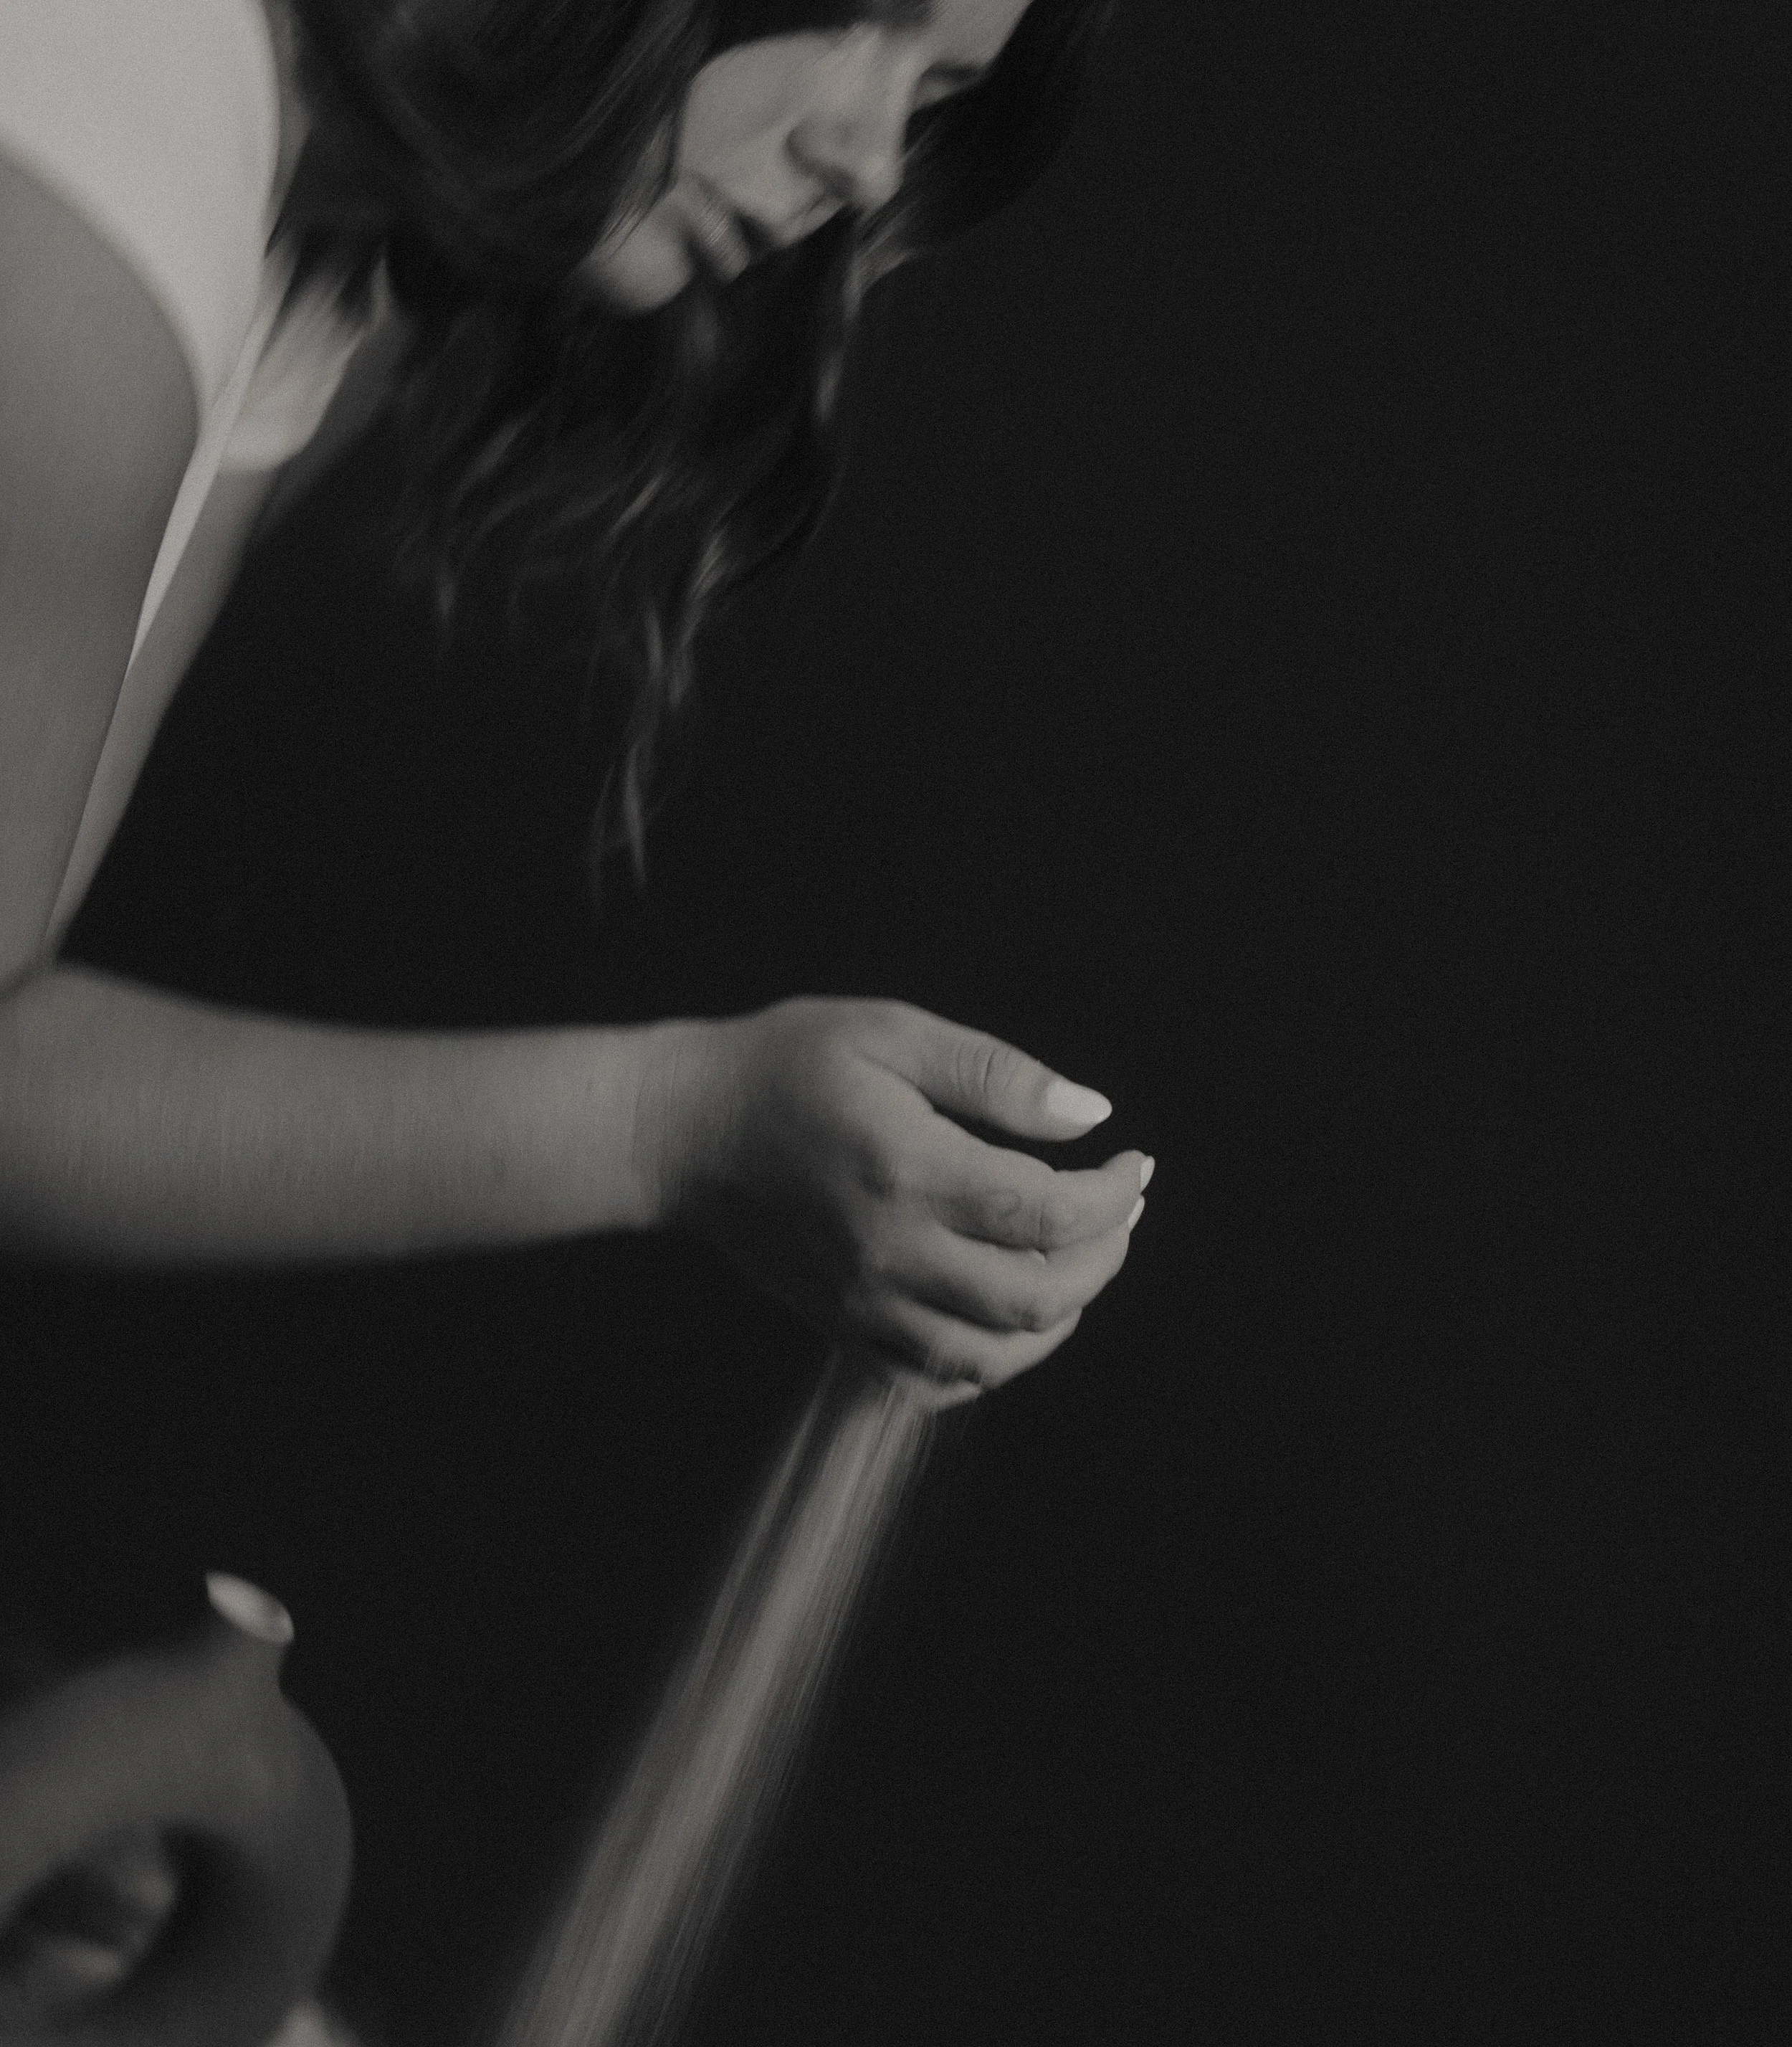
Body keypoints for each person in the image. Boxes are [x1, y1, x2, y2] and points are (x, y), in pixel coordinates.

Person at [0, 0, 1153, 1413]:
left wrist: (677, 1122)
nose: (862, 154)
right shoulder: (109, 147)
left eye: (927, 94)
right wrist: (673, 1132)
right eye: (856, 18)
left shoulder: (297, 233)